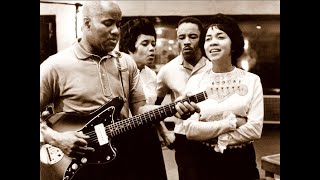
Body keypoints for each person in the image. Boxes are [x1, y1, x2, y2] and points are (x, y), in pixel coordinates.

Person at [40, 1, 200, 180]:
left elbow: (140, 109)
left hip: (120, 157)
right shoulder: (55, 66)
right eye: (108, 23)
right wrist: (56, 139)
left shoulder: (125, 62)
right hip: (80, 164)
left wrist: (174, 109)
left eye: (118, 24)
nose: (116, 31)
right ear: (86, 24)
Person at [181, 13, 264, 180]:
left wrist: (214, 135)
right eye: (208, 38)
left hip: (241, 162)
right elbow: (190, 130)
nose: (213, 42)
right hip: (202, 162)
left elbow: (254, 129)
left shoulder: (252, 80)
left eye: (220, 36)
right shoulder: (195, 81)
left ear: (233, 44)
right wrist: (231, 123)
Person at [155, 16, 212, 180]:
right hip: (184, 138)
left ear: (201, 39)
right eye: (182, 37)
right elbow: (153, 107)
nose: (186, 41)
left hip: (211, 135)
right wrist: (165, 133)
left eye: (192, 37)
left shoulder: (213, 66)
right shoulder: (167, 70)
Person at [118, 17, 167, 180]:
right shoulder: (118, 73)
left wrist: (163, 131)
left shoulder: (151, 74)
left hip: (148, 137)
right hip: (124, 139)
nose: (152, 49)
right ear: (130, 46)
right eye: (145, 44)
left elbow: (149, 107)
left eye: (153, 44)